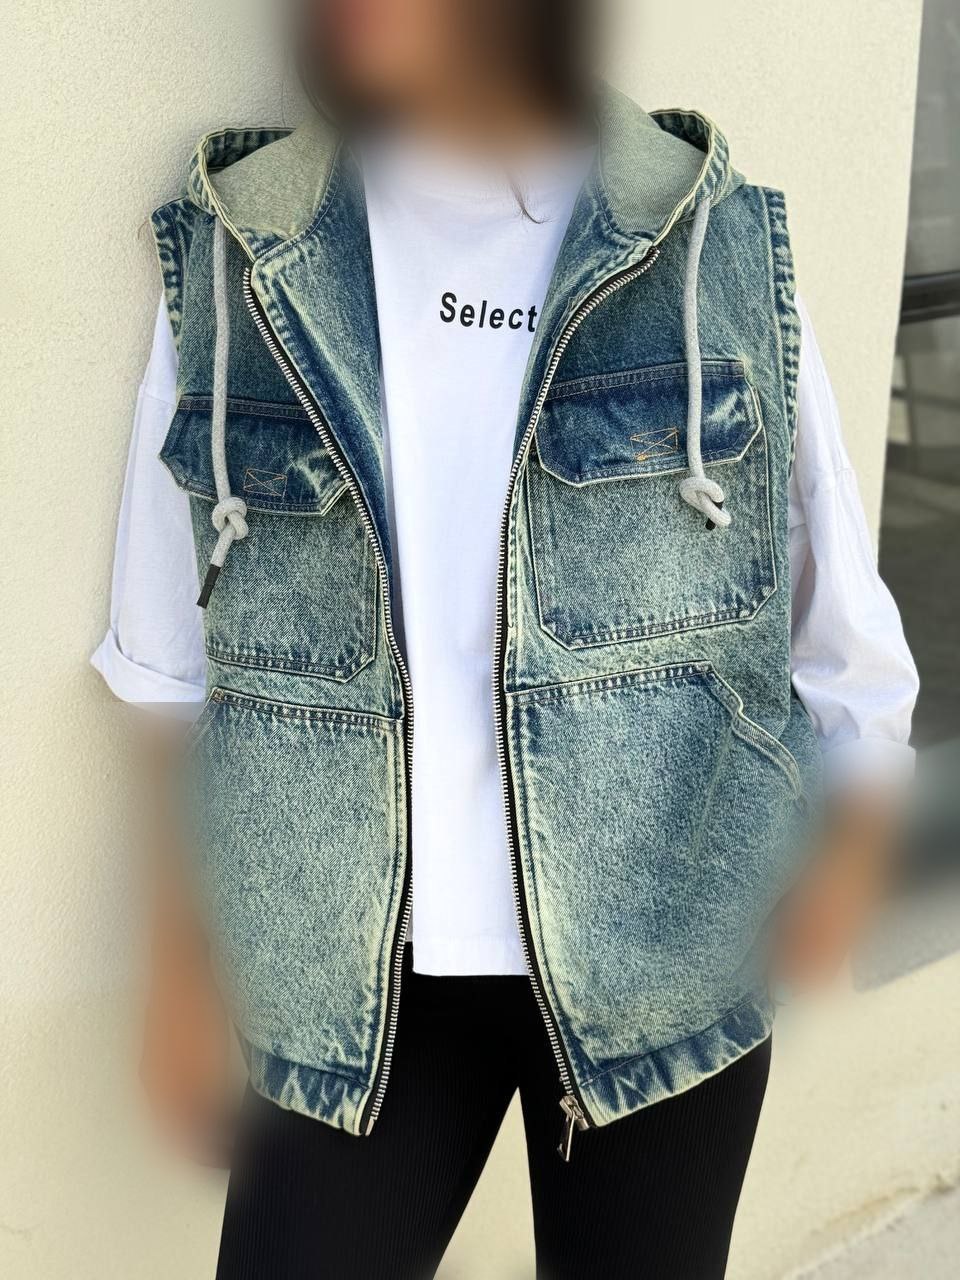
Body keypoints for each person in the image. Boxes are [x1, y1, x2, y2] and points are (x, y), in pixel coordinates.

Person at [92, 1, 919, 1275]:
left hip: (665, 950)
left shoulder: (705, 237)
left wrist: (851, 841)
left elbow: (833, 602)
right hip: (349, 974)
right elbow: (164, 661)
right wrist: (178, 963)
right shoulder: (241, 253)